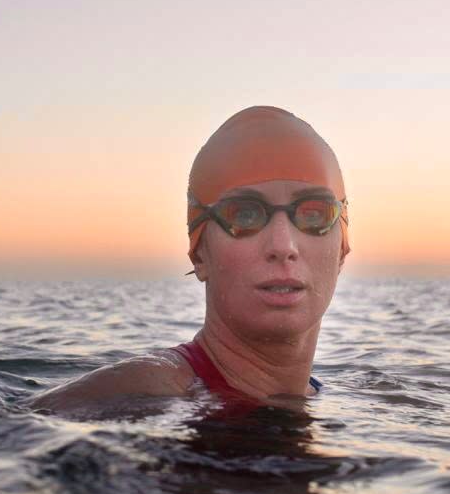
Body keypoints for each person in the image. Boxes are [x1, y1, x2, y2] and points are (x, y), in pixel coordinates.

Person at [30, 106, 350, 413]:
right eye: (245, 215)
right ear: (199, 254)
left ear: (342, 252)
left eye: (313, 214)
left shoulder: (377, 402)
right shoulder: (137, 393)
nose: (283, 245)